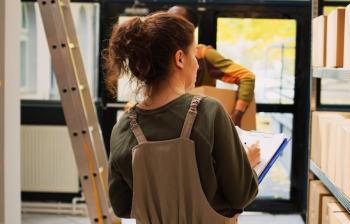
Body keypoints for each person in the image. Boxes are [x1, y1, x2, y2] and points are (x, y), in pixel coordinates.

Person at [105, 12, 259, 223]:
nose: (196, 63)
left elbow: (121, 206)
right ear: (179, 58)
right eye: (193, 55)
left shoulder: (123, 127)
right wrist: (248, 163)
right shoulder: (209, 112)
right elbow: (241, 194)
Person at [168, 5, 257, 126]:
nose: (168, 24)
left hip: (199, 125)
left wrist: (237, 115)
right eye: (167, 19)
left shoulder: (202, 54)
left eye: (175, 21)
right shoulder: (159, 53)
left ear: (189, 28)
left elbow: (247, 76)